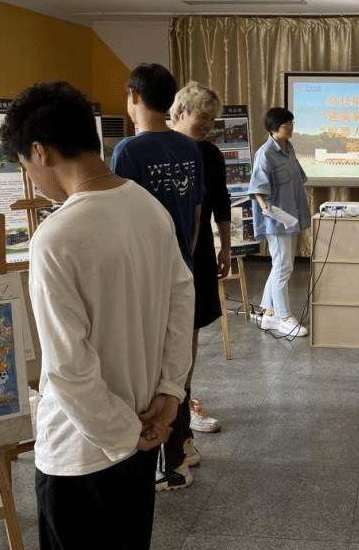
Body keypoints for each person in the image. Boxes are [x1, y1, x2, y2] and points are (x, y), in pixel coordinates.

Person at [0, 81, 193, 550]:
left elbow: (68, 368)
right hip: (145, 428)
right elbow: (181, 304)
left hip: (81, 452)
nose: (33, 178)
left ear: (40, 152)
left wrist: (126, 433)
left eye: (26, 166)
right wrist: (169, 393)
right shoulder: (149, 208)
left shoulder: (56, 237)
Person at [110, 63, 204, 490]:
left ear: (134, 96)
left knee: (148, 371)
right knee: (176, 366)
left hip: (144, 277)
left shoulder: (128, 152)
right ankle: (180, 453)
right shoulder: (190, 148)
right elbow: (196, 213)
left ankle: (162, 462)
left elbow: (120, 221)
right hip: (182, 267)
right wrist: (184, 255)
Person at [167, 82, 229, 441]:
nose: (207, 126)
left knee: (190, 327)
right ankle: (166, 404)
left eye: (212, 120)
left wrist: (226, 246)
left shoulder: (209, 154)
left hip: (200, 249)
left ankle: (184, 403)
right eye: (202, 118)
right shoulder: (153, 149)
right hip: (163, 250)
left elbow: (221, 201)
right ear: (180, 111)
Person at [248, 107, 312, 337]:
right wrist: (266, 208)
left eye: (292, 123)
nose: (291, 127)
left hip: (291, 217)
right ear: (273, 128)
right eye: (286, 124)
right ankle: (284, 317)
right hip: (277, 220)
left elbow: (299, 178)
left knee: (280, 266)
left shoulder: (289, 148)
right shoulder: (265, 153)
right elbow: (257, 187)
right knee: (284, 267)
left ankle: (268, 313)